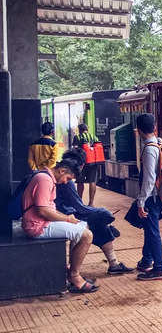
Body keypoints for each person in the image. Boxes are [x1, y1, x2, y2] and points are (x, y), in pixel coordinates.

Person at [22, 157, 98, 293]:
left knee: (83, 226)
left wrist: (68, 219)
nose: (65, 182)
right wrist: (67, 219)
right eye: (68, 178)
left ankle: (72, 268)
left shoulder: (46, 178)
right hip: (37, 226)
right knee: (87, 235)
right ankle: (74, 276)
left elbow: (47, 208)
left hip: (41, 222)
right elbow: (43, 210)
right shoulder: (44, 180)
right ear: (62, 171)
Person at [56, 148, 133, 276]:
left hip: (63, 213)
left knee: (99, 224)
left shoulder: (59, 173)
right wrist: (104, 212)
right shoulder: (66, 181)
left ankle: (114, 264)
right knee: (95, 224)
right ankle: (74, 272)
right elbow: (80, 208)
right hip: (62, 215)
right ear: (80, 165)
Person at [135, 113, 162, 281]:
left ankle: (159, 267)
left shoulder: (149, 150)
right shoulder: (160, 142)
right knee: (149, 229)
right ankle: (147, 260)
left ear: (139, 130)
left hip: (151, 197)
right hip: (159, 195)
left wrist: (141, 202)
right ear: (154, 127)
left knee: (153, 231)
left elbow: (148, 179)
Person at [73, 123, 99, 206]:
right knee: (92, 181)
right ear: (87, 129)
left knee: (80, 182)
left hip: (81, 163)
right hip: (93, 162)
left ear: (80, 130)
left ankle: (79, 201)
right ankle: (91, 203)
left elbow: (75, 149)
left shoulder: (77, 137)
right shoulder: (93, 136)